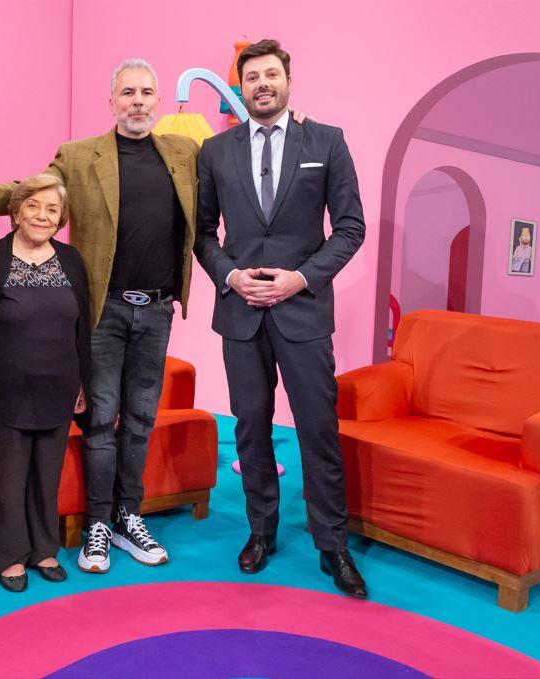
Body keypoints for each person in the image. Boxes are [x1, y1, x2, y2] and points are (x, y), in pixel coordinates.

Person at [0, 58, 196, 574]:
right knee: (100, 421)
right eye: (128, 92)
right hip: (104, 309)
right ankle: (98, 525)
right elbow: (30, 193)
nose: (138, 101)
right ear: (112, 101)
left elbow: (233, 171)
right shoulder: (80, 157)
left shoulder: (185, 153)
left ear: (159, 101)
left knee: (141, 420)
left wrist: (286, 123)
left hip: (158, 309)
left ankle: (129, 517)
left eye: (147, 92)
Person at [194, 39, 368, 599]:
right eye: (252, 77)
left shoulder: (328, 142)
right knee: (250, 428)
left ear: (288, 80)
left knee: (318, 429)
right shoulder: (215, 152)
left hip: (303, 310)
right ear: (241, 87)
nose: (262, 84)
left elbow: (350, 228)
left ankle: (332, 544)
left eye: (271, 74)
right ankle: (261, 532)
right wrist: (229, 275)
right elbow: (201, 234)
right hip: (240, 314)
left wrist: (303, 278)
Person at [0, 175, 92, 592]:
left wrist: (84, 383)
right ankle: (9, 556)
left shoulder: (71, 260)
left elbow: (82, 329)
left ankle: (44, 549)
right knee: (9, 475)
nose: (42, 215)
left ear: (60, 219)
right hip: (4, 387)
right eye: (33, 206)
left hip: (59, 385)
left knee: (46, 474)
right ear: (16, 212)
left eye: (52, 209)